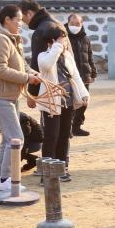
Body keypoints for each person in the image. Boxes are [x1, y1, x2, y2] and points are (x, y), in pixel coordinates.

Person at [0, 4, 43, 196]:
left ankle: (0, 177)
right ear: (7, 20)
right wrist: (27, 78)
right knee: (16, 138)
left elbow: (21, 65)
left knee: (8, 138)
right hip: (0, 96)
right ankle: (6, 179)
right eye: (18, 20)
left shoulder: (11, 39)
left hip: (9, 95)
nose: (21, 24)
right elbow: (0, 70)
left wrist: (34, 73)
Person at [33, 18, 90, 182]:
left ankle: (62, 168)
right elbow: (47, 66)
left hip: (68, 100)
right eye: (62, 38)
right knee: (51, 137)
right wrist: (57, 47)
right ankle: (48, 173)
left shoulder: (67, 57)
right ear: (52, 40)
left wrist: (84, 93)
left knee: (65, 135)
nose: (65, 42)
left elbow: (76, 76)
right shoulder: (43, 56)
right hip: (51, 103)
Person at [66, 13, 97, 137]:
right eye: (72, 24)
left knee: (84, 102)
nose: (75, 26)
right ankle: (67, 128)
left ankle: (77, 127)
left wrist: (93, 72)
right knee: (69, 104)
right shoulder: (63, 37)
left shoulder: (85, 38)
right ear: (68, 24)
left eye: (77, 24)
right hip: (69, 76)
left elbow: (89, 56)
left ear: (82, 24)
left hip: (83, 76)